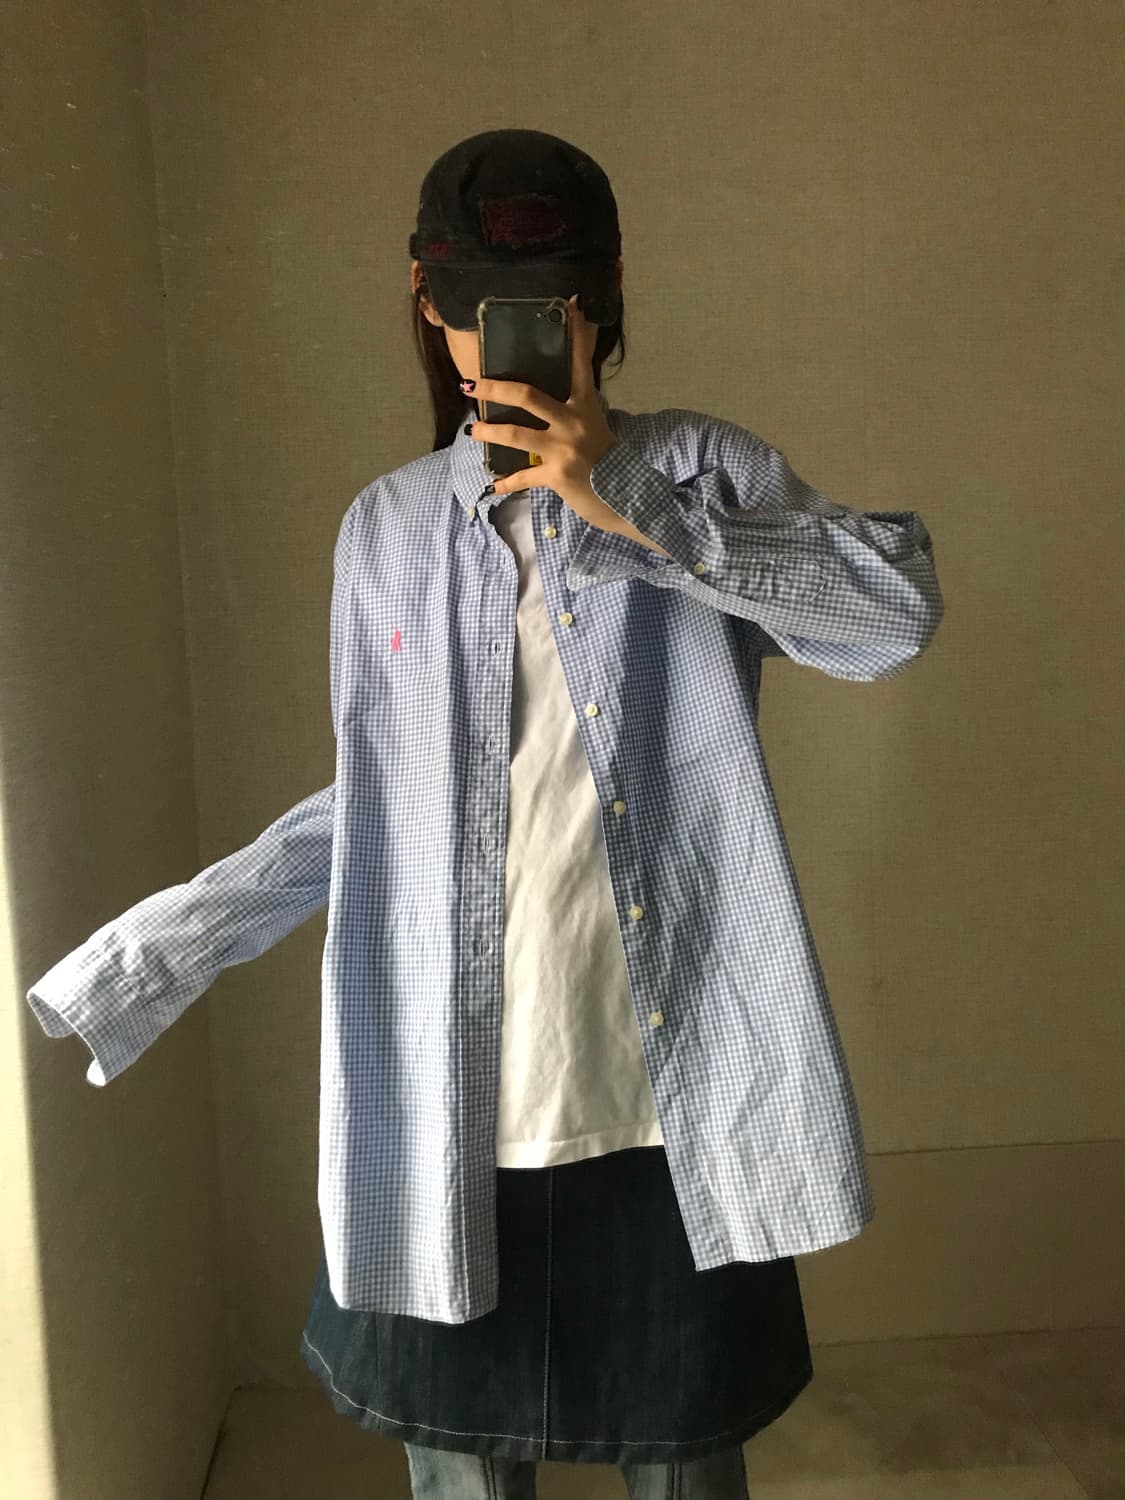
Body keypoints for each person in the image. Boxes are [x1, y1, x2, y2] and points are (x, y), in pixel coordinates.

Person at [26, 128, 944, 1500]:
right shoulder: (386, 529)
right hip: (449, 1101)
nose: (498, 339)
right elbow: (382, 805)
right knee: (459, 1480)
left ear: (603, 297)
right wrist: (169, 944)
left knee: (689, 1471)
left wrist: (631, 506)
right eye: (471, 306)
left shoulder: (704, 471)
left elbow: (891, 618)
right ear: (425, 298)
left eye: (546, 303)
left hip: (670, 1096)